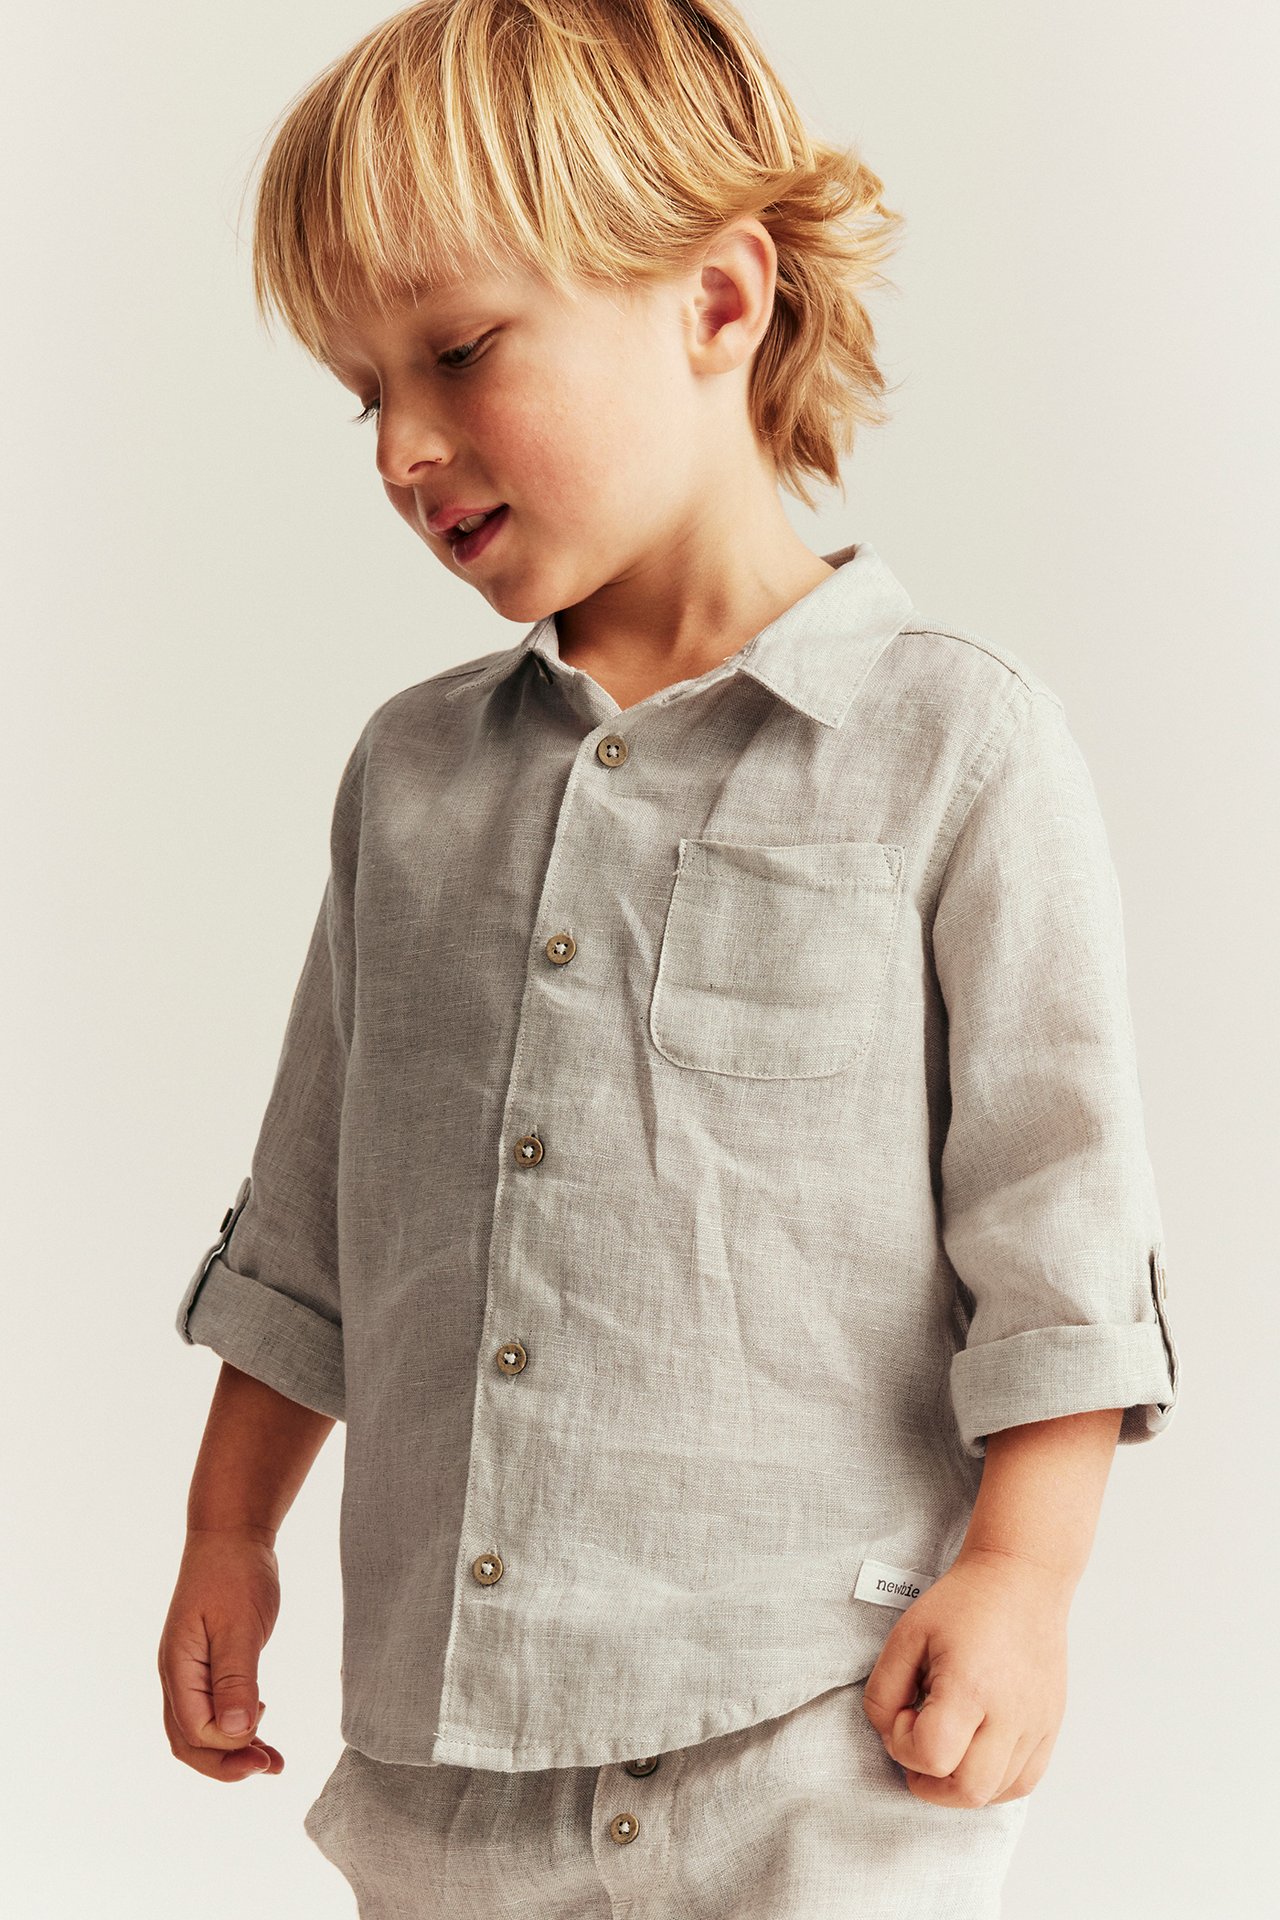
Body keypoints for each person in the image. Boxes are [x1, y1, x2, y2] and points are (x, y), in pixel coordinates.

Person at [157, 2, 1180, 1914]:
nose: (401, 445)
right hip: (450, 1745)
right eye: (360, 388)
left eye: (457, 351)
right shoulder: (409, 777)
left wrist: (1027, 1578)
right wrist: (233, 1526)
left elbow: (1057, 1225)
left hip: (817, 1727)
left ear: (721, 302)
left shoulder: (956, 746)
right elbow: (309, 1211)